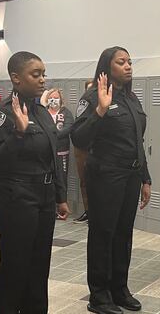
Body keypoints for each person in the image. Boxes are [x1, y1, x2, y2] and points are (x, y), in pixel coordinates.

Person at [0, 51, 69, 313]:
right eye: (36, 74)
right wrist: (18, 135)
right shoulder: (1, 114)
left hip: (44, 197)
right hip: (15, 197)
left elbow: (52, 157)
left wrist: (60, 196)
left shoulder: (42, 112)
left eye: (44, 74)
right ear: (16, 78)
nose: (43, 80)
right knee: (15, 265)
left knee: (39, 265)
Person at [71, 46, 151, 314]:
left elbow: (137, 142)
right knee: (103, 235)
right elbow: (79, 139)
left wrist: (145, 178)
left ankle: (120, 289)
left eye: (129, 61)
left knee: (123, 234)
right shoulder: (93, 95)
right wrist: (100, 111)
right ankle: (99, 296)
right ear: (107, 66)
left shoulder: (132, 98)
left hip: (130, 175)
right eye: (121, 62)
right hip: (105, 176)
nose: (128, 66)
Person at [42, 88, 75, 219]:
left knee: (61, 180)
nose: (53, 100)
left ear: (61, 99)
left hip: (61, 153)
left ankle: (61, 207)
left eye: (56, 97)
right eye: (51, 97)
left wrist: (51, 135)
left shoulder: (66, 113)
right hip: (46, 152)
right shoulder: (43, 113)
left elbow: (68, 128)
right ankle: (49, 208)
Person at [73, 80, 95, 223]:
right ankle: (88, 211)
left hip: (97, 149)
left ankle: (95, 212)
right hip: (83, 149)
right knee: (84, 182)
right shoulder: (84, 105)